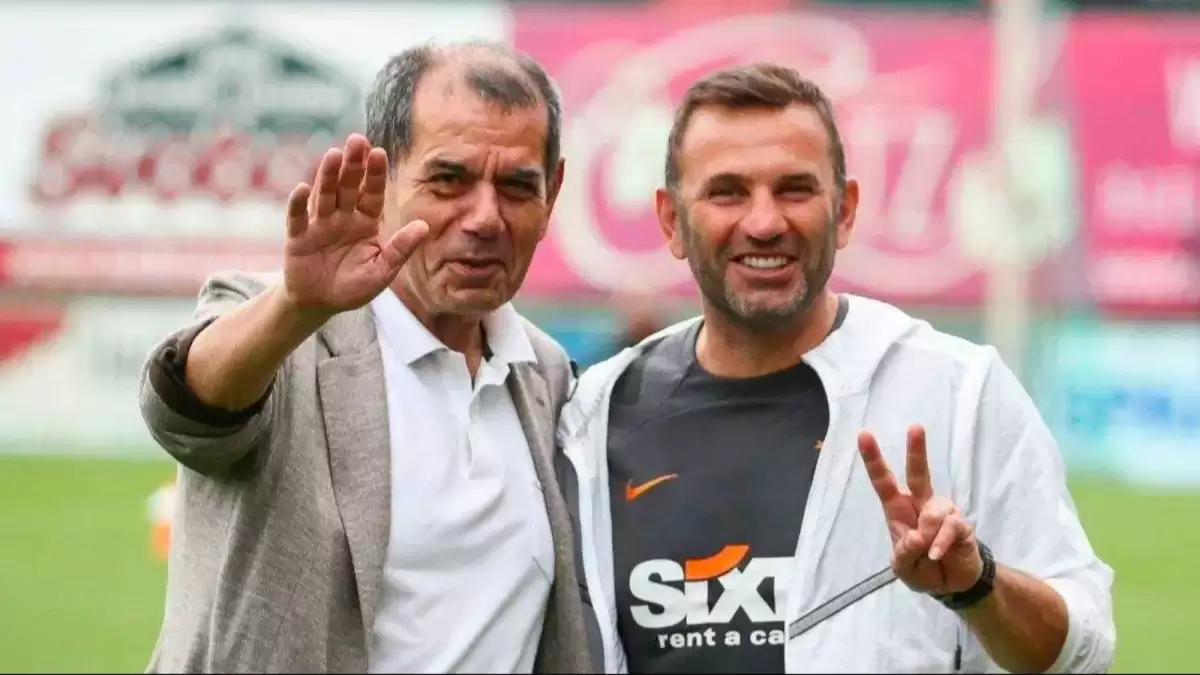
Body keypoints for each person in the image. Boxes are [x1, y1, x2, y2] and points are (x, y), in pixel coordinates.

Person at [555, 63, 1115, 673]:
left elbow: (1083, 652)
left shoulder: (957, 392)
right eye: (727, 192)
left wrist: (977, 584)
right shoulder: (596, 417)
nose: (764, 222)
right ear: (671, 221)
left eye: (795, 190)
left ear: (844, 211)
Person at [138, 41, 594, 674]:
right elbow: (184, 409)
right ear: (381, 178)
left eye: (518, 186)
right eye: (449, 180)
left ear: (553, 194)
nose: (485, 218)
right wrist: (294, 308)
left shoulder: (546, 375)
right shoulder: (287, 330)